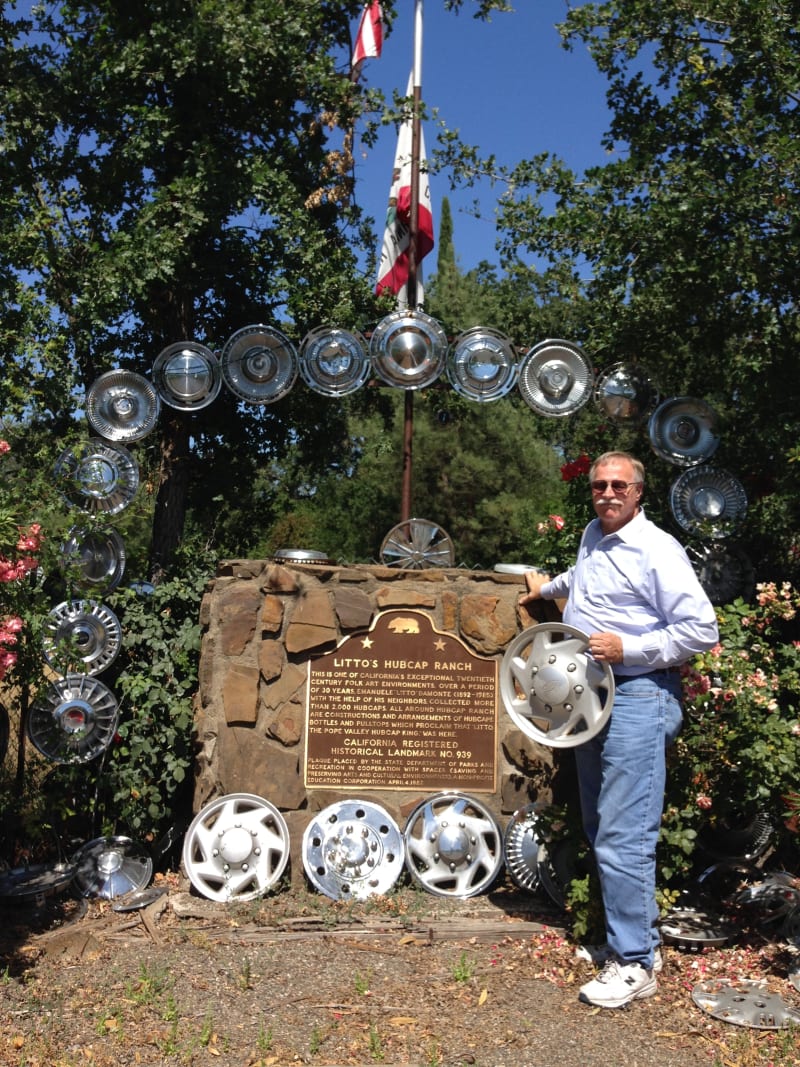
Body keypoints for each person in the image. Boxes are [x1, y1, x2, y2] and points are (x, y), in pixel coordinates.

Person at [519, 450, 718, 1009]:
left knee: (623, 834)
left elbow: (702, 628)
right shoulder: (594, 535)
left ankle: (634, 963)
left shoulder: (658, 549)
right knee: (600, 820)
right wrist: (546, 589)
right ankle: (629, 943)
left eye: (618, 486)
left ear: (638, 493)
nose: (607, 494)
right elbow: (587, 580)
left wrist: (629, 647)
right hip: (593, 698)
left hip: (640, 694)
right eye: (599, 485)